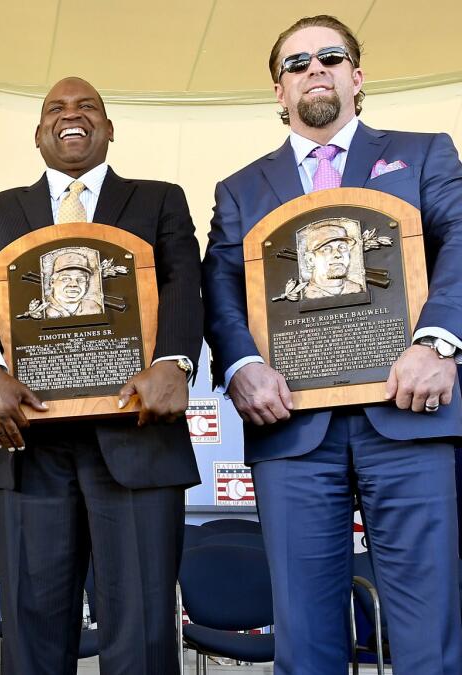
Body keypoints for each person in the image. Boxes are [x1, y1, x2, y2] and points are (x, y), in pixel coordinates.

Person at [202, 15, 462, 673]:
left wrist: (439, 341)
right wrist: (241, 365)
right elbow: (221, 284)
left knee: (428, 638)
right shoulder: (239, 188)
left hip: (410, 420)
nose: (314, 68)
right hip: (291, 428)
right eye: (296, 63)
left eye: (330, 55)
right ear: (279, 92)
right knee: (306, 642)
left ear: (356, 75)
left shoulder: (426, 152)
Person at [0, 77, 202, 674]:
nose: (73, 115)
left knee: (141, 631)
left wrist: (174, 359)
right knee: (33, 628)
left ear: (109, 129)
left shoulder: (159, 199)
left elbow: (183, 281)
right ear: (38, 134)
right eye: (56, 109)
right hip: (28, 440)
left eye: (88, 106)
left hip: (136, 435)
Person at [301, 222, 364, 298]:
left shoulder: (357, 289)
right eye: (326, 249)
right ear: (310, 259)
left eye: (342, 247)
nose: (338, 254)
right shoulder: (306, 294)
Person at [44, 251, 103, 317]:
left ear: (86, 284)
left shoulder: (94, 309)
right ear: (52, 282)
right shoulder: (43, 310)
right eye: (66, 279)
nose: (74, 284)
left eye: (80, 279)